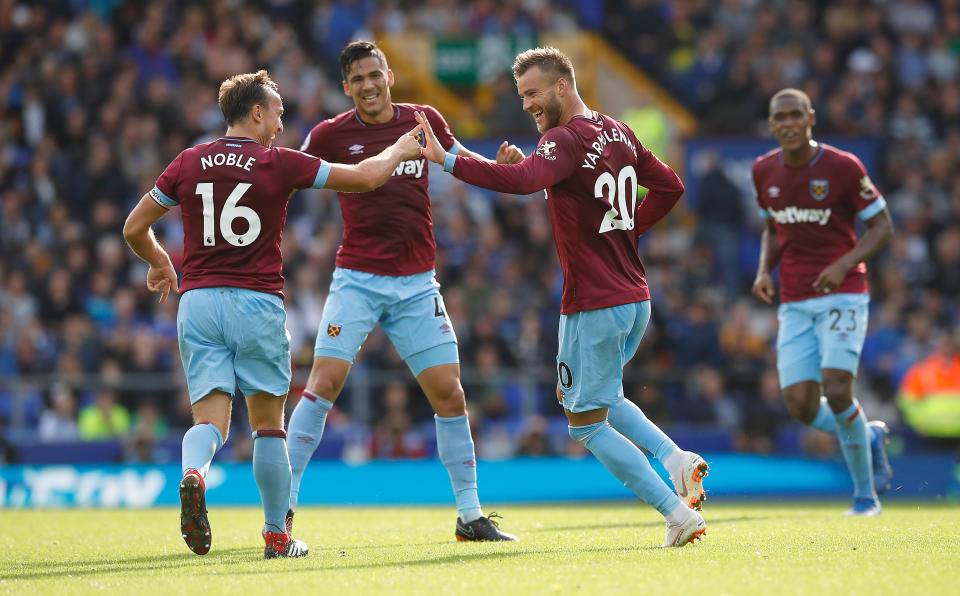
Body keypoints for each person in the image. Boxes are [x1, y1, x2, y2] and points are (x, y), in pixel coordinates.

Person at [123, 69, 423, 558]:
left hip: (197, 302)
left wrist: (160, 263)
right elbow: (366, 178)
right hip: (255, 302)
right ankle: (277, 536)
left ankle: (194, 473)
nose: (281, 125)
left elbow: (135, 227)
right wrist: (398, 151)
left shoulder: (188, 161)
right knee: (268, 425)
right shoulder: (279, 163)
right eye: (279, 113)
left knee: (211, 423)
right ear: (257, 112)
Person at [416, 46, 709, 548]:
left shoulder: (565, 137)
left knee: (584, 425)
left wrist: (447, 161)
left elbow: (528, 181)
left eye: (533, 93)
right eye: (522, 95)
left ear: (562, 86)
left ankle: (675, 513)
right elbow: (670, 186)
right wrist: (627, 229)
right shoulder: (617, 130)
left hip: (593, 301)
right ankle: (676, 460)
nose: (527, 104)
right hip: (634, 297)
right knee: (595, 397)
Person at [285, 40, 522, 542]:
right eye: (358, 79)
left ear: (389, 76)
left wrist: (504, 168)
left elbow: (458, 160)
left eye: (376, 75)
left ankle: (470, 516)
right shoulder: (330, 134)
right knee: (322, 384)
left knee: (450, 394)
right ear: (346, 87)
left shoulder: (424, 119)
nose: (369, 85)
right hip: (357, 280)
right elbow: (287, 176)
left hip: (416, 284)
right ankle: (280, 514)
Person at [751, 88, 895, 516]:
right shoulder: (763, 170)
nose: (790, 123)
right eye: (782, 117)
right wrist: (763, 271)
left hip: (844, 292)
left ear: (811, 118)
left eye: (797, 115)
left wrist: (843, 263)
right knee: (800, 405)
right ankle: (866, 436)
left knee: (836, 388)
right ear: (773, 124)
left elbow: (883, 227)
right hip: (794, 299)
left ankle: (865, 498)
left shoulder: (843, 167)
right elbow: (773, 230)